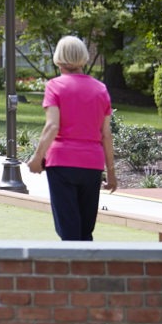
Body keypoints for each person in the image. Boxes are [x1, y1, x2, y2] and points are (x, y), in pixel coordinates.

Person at [26, 36, 117, 241]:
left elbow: (52, 126)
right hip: (92, 164)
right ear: (84, 58)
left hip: (62, 162)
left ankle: (71, 271)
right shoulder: (100, 89)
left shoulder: (55, 86)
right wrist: (111, 172)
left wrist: (36, 158)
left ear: (59, 58)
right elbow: (106, 135)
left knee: (68, 230)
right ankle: (87, 270)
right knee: (86, 230)